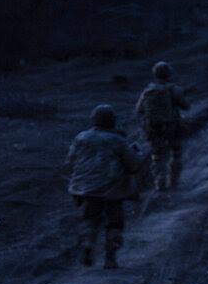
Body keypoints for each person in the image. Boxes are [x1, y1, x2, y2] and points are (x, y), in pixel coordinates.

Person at [65, 104, 142, 269]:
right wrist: (136, 153)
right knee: (114, 222)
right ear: (112, 121)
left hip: (86, 188)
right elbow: (133, 166)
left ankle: (87, 242)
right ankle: (110, 258)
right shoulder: (118, 140)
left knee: (90, 218)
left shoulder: (81, 138)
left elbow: (70, 161)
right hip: (112, 189)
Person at [135, 61, 190, 190]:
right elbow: (186, 106)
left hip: (154, 128)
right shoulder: (173, 89)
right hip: (173, 126)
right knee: (176, 152)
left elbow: (139, 109)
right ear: (169, 73)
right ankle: (174, 181)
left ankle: (160, 182)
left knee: (158, 155)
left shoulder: (148, 90)